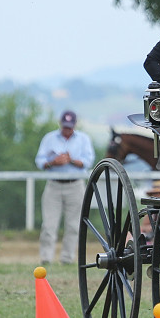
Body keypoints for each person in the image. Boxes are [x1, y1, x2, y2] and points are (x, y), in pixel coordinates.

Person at [34, 110, 95, 264]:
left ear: (74, 125)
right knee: (49, 225)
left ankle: (67, 258)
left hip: (75, 185)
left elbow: (88, 161)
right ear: (60, 124)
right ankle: (46, 258)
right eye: (65, 126)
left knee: (73, 225)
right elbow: (40, 160)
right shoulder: (49, 138)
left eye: (70, 127)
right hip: (53, 185)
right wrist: (53, 162)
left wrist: (70, 160)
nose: (67, 129)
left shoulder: (83, 139)